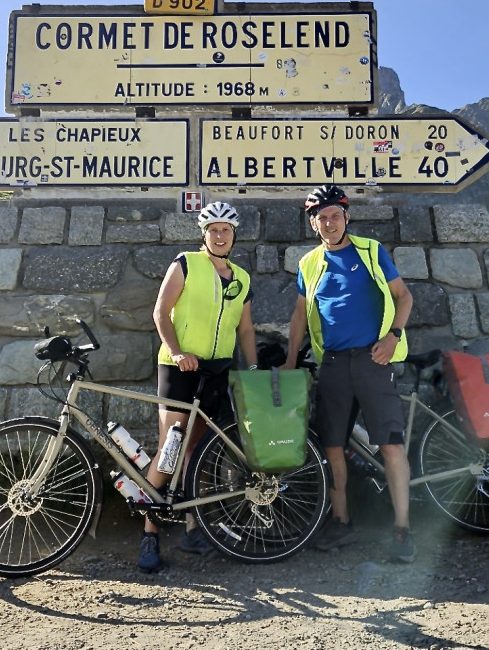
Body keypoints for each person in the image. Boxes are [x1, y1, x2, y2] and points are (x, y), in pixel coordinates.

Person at [283, 184, 416, 562]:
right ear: (313, 223)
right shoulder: (309, 264)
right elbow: (298, 316)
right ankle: (341, 523)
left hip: (374, 360)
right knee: (332, 446)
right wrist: (291, 359)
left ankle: (403, 530)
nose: (329, 223)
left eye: (335, 216)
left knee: (390, 444)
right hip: (335, 364)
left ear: (346, 217)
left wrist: (393, 337)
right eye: (321, 218)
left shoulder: (370, 251)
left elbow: (403, 296)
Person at [138, 201, 259, 573]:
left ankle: (193, 528)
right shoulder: (186, 263)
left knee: (199, 451)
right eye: (213, 230)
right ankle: (149, 533)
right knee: (172, 446)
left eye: (226, 230)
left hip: (217, 370)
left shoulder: (241, 277)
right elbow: (161, 311)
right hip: (181, 366)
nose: (219, 235)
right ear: (204, 234)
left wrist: (252, 368)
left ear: (233, 235)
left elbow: (246, 329)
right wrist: (176, 352)